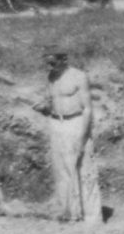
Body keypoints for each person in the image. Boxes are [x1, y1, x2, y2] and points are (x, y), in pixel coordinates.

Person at [32, 47, 102, 224]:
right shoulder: (51, 77)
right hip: (57, 124)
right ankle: (71, 214)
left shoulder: (78, 76)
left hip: (76, 123)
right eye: (47, 64)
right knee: (62, 171)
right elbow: (51, 105)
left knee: (83, 169)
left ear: (64, 59)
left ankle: (92, 218)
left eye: (53, 63)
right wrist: (43, 108)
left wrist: (83, 136)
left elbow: (87, 109)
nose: (49, 67)